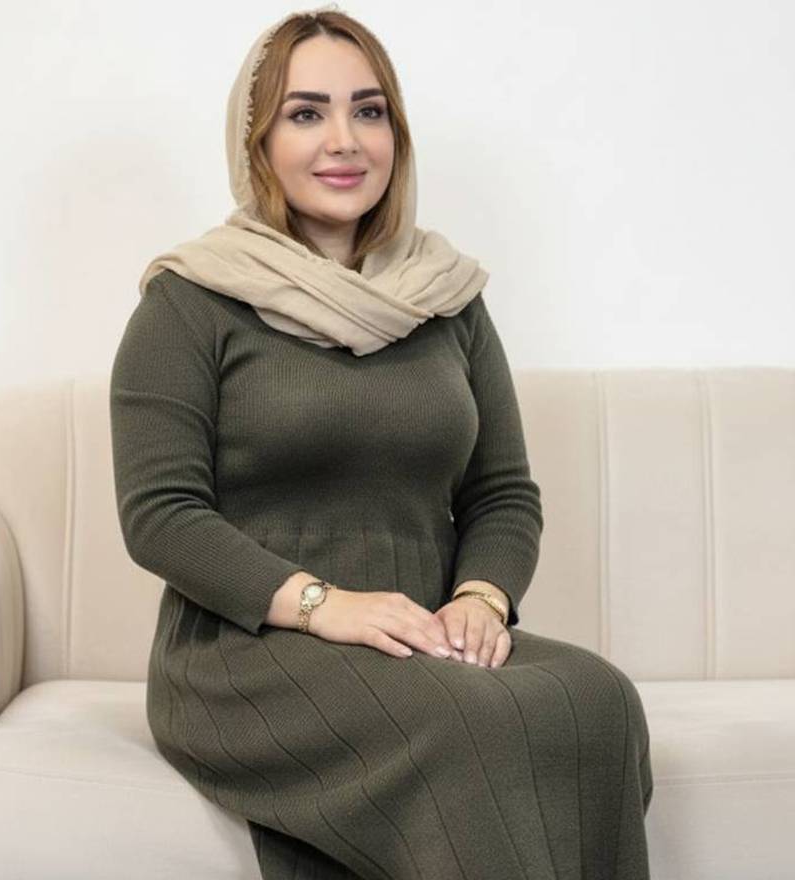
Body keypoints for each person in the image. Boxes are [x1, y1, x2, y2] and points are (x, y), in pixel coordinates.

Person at [109, 5, 653, 879]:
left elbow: (502, 492)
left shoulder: (447, 298)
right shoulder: (190, 300)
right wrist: (328, 606)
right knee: (466, 722)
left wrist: (481, 600)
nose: (344, 140)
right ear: (256, 141)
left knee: (599, 700)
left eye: (368, 111)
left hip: (422, 635)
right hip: (248, 654)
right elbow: (161, 517)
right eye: (305, 113)